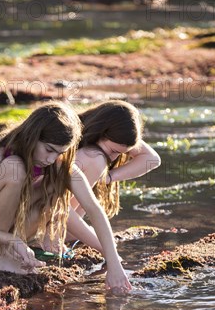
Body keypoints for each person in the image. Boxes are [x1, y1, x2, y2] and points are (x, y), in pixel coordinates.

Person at [0, 101, 131, 292]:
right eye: (49, 149)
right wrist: (12, 240)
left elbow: (94, 209)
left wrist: (113, 260)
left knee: (55, 182)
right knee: (14, 168)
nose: (51, 159)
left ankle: (2, 254)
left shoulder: (56, 163)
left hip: (5, 237)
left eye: (60, 153)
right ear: (32, 136)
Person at [62, 100, 162, 252]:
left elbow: (152, 159)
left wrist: (108, 177)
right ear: (100, 132)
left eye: (120, 153)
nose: (114, 159)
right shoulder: (70, 135)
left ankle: (69, 230)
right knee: (95, 160)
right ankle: (62, 230)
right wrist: (106, 248)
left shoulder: (112, 137)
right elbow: (56, 205)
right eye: (113, 151)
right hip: (39, 213)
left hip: (61, 214)